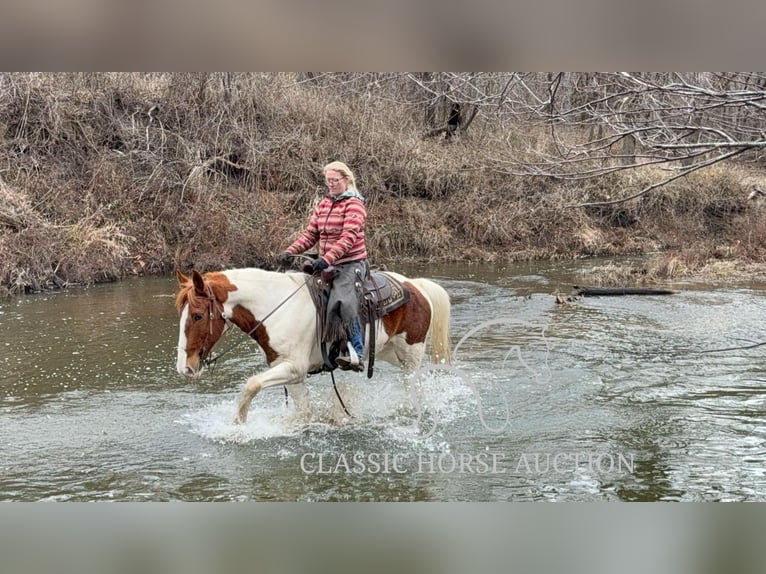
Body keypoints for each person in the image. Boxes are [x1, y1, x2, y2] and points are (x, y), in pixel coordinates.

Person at [277, 161, 367, 371]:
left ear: (346, 180)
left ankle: (357, 351)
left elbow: (348, 237)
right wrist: (290, 251)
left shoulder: (354, 204)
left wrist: (327, 258)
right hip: (327, 262)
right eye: (328, 180)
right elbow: (311, 234)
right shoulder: (325, 203)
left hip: (350, 263)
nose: (331, 184)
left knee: (342, 301)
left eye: (335, 180)